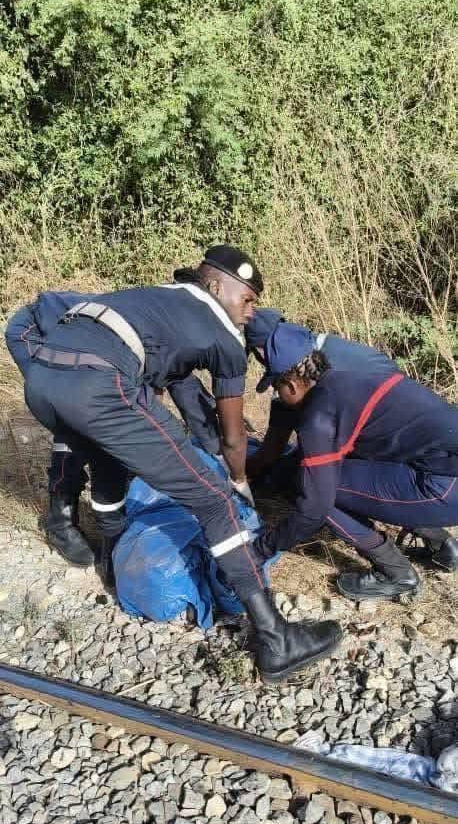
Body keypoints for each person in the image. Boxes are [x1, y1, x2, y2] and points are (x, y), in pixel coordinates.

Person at [6, 245, 342, 682]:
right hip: (101, 384)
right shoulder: (223, 337)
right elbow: (233, 434)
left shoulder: (155, 298)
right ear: (217, 286)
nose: (251, 311)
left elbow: (183, 397)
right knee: (216, 502)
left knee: (109, 469)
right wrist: (237, 483)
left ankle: (110, 562)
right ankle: (276, 638)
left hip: (43, 379)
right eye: (248, 299)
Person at [245, 320, 458, 599]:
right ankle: (442, 547)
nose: (279, 397)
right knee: (332, 474)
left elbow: (313, 511)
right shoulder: (351, 378)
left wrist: (257, 551)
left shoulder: (320, 416)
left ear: (291, 384)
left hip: (445, 488)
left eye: (276, 387)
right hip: (439, 464)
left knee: (314, 489)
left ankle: (395, 573)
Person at [6, 300, 222, 567]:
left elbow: (188, 397)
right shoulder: (141, 338)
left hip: (87, 353)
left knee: (108, 431)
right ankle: (59, 519)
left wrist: (215, 450)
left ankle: (110, 522)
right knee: (75, 423)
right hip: (33, 332)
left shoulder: (162, 346)